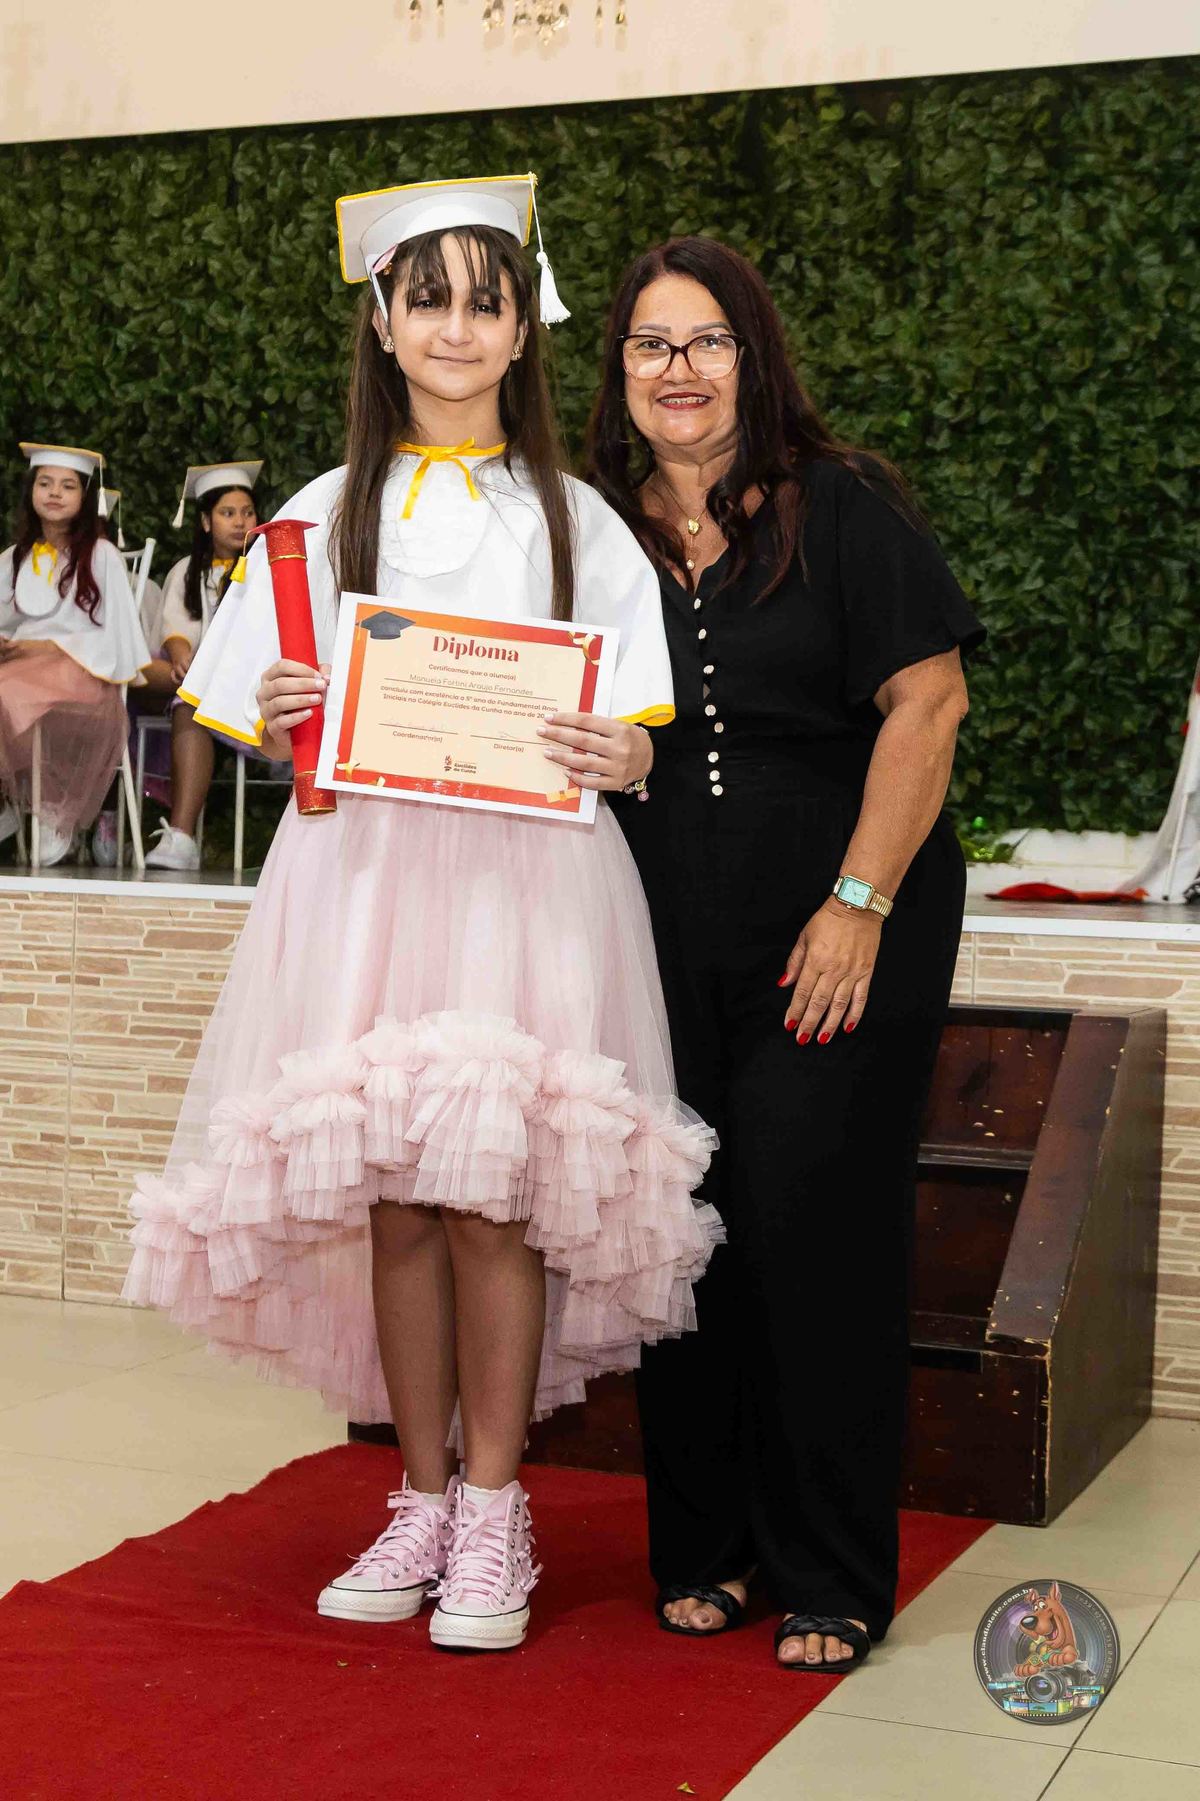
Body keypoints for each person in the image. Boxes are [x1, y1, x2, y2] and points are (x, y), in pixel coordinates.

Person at [123, 174, 719, 1655]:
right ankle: (423, 1492)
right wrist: (284, 707)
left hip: (529, 880)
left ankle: (498, 1509)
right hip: (369, 879)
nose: (459, 327)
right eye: (429, 298)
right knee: (398, 1190)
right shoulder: (318, 516)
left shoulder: (576, 517)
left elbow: (636, 722)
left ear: (525, 331)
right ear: (381, 325)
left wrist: (626, 751)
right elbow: (264, 717)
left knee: (492, 1190)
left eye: (488, 301)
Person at [573, 236, 984, 1672]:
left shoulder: (840, 503)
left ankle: (832, 1569)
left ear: (754, 357)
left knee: (816, 1230)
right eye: (650, 345)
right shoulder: (589, 530)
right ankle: (710, 1546)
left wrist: (859, 902)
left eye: (707, 342)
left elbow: (929, 703)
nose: (677, 370)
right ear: (618, 370)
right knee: (680, 1229)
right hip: (652, 922)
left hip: (838, 921)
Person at [0, 444, 151, 866]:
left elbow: (115, 637)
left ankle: (51, 812)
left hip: (83, 672)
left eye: (67, 486)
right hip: (21, 668)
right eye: (45, 483)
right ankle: (7, 804)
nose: (54, 493)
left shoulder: (102, 556)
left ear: (84, 497)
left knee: (8, 696)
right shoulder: (13, 558)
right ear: (31, 491)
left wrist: (46, 646)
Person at [141, 462, 262, 870]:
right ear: (206, 522)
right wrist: (179, 655)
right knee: (142, 673)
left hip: (244, 683)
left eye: (247, 512)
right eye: (228, 513)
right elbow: (174, 627)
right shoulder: (186, 571)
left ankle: (181, 836)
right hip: (191, 676)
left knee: (189, 698)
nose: (240, 522)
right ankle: (173, 836)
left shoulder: (264, 570)